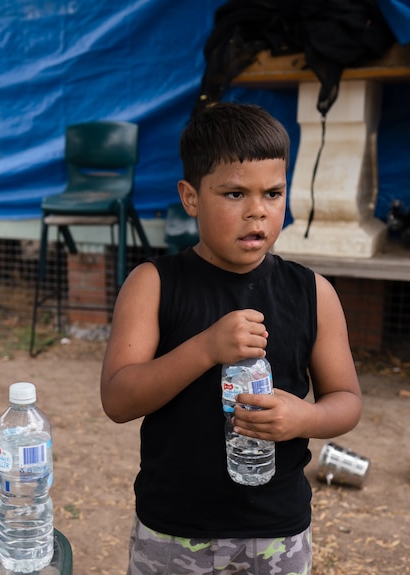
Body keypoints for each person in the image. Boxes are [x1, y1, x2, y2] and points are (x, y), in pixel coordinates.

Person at [100, 102, 362, 574]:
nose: (258, 211)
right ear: (191, 197)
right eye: (235, 193)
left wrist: (304, 417)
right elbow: (118, 400)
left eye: (273, 192)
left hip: (277, 531)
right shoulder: (153, 284)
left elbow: (346, 400)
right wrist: (204, 349)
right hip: (173, 529)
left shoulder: (313, 292)